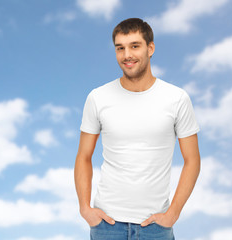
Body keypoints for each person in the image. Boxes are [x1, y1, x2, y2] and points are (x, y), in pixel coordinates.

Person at [74, 18, 201, 240]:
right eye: (120, 48)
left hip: (156, 227)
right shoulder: (98, 97)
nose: (127, 55)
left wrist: (173, 214)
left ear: (150, 48)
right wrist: (85, 208)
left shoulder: (177, 99)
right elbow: (84, 156)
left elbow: (192, 160)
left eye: (134, 46)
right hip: (106, 225)